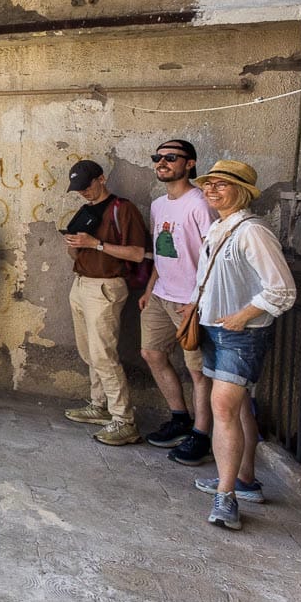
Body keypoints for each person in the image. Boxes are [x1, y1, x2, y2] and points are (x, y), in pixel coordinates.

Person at [183, 160, 295, 530]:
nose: (212, 191)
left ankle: (226, 496)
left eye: (221, 185)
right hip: (217, 329)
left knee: (224, 409)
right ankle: (244, 480)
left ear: (242, 191)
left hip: (240, 334)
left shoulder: (252, 232)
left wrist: (243, 315)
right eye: (209, 185)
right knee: (239, 406)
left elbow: (282, 289)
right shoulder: (219, 227)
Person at [137, 140, 216, 463]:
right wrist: (149, 289)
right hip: (161, 294)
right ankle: (180, 419)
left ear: (190, 163)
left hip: (191, 302)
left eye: (171, 158)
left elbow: (214, 258)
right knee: (152, 353)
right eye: (158, 158)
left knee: (199, 371)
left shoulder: (199, 203)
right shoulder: (158, 205)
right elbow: (161, 252)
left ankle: (201, 434)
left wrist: (198, 301)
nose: (162, 163)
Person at [62, 160, 150, 445]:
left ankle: (124, 420)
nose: (84, 192)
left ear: (102, 179)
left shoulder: (123, 209)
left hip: (106, 286)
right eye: (79, 189)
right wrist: (75, 248)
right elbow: (77, 250)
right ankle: (98, 405)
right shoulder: (86, 210)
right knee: (88, 351)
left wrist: (95, 245)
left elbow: (138, 254)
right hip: (81, 282)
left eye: (87, 186)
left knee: (103, 354)